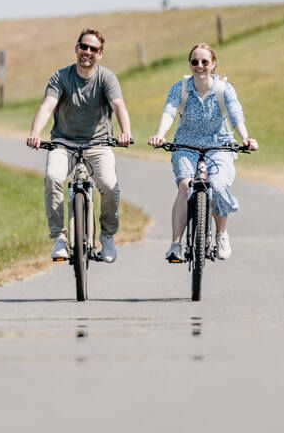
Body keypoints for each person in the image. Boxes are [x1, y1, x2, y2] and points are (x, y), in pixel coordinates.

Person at [26, 28, 133, 262]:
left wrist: (126, 132)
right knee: (53, 178)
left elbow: (118, 106)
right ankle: (59, 238)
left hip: (99, 144)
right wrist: (35, 133)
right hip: (63, 143)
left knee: (109, 186)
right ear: (76, 48)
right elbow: (47, 106)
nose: (87, 52)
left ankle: (106, 236)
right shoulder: (61, 77)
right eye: (83, 47)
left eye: (93, 49)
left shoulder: (106, 78)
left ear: (100, 54)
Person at [147, 43, 258, 263]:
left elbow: (236, 115)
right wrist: (160, 134)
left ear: (213, 64)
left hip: (219, 146)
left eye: (204, 62)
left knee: (217, 185)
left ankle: (221, 234)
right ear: (190, 64)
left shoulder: (224, 89)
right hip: (186, 145)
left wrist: (245, 137)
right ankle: (176, 245)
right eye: (194, 62)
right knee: (184, 185)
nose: (199, 66)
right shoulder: (180, 88)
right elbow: (169, 111)